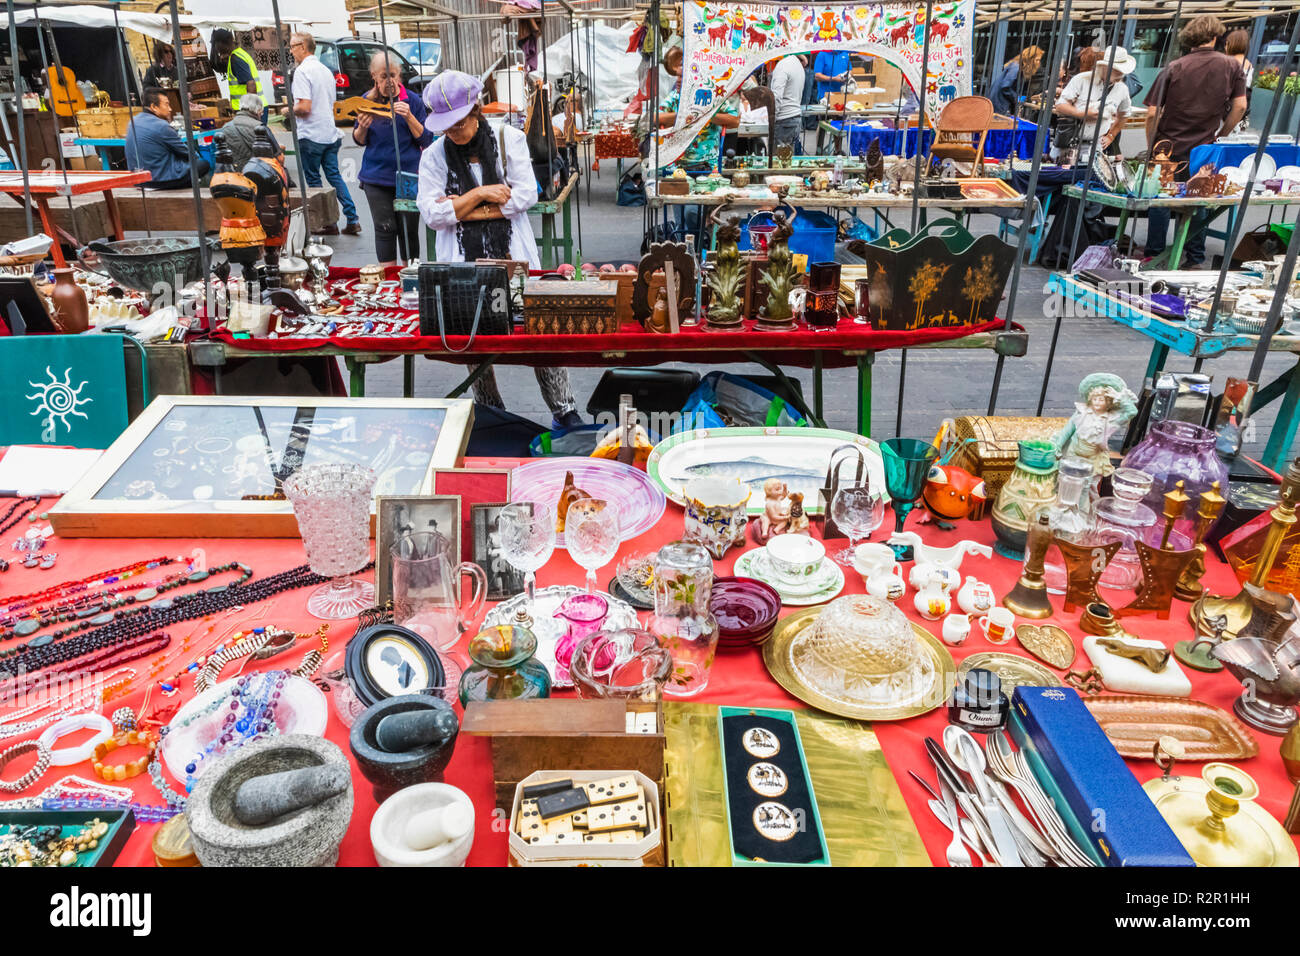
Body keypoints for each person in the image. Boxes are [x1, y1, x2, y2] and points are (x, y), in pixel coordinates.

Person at [416, 70, 581, 428]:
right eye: (447, 127)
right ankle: (493, 413)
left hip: (514, 257)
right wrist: (482, 193)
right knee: (474, 336)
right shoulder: (433, 156)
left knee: (538, 332)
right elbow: (431, 213)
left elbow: (524, 195)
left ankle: (564, 409)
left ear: (476, 110)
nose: (454, 133)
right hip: (462, 262)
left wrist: (459, 207)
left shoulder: (509, 139)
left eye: (459, 123)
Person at [1143, 15, 1247, 266]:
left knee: (1160, 200)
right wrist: (1222, 134)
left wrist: (1151, 145)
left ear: (1189, 39)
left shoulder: (1174, 67)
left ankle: (1154, 255)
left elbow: (1151, 113)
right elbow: (1240, 106)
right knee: (1199, 199)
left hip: (1167, 145)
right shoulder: (1233, 67)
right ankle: (1194, 257)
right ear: (1215, 37)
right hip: (1205, 145)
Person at [352, 51, 432, 266]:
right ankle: (388, 280)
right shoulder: (366, 101)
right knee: (385, 228)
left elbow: (426, 139)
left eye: (393, 75)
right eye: (383, 76)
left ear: (400, 76)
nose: (389, 81)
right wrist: (363, 128)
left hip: (408, 176)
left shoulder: (413, 101)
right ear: (374, 77)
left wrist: (409, 117)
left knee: (408, 230)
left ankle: (410, 277)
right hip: (376, 177)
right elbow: (359, 140)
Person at [289, 32, 361, 237]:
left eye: (293, 46)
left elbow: (304, 106)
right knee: (335, 176)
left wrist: (289, 109)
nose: (291, 50)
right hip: (329, 131)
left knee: (314, 181)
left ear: (303, 47)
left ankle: (326, 222)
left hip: (311, 133)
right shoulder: (325, 70)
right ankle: (352, 217)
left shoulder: (303, 72)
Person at [1053, 45, 1135, 164]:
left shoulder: (1122, 89)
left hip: (1095, 147)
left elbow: (1124, 114)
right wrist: (1082, 114)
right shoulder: (1081, 79)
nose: (1121, 74)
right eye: (1117, 70)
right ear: (1106, 67)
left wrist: (1111, 136)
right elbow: (1060, 105)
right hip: (1068, 143)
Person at [125, 87, 210, 189]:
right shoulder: (161, 125)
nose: (170, 109)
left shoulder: (132, 121)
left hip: (138, 180)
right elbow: (188, 154)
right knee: (203, 164)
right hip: (157, 181)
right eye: (166, 104)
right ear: (154, 107)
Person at [221, 94, 282, 170]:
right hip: (260, 174)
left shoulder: (225, 127)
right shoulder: (260, 127)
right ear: (258, 110)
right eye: (262, 112)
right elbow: (280, 158)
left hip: (234, 176)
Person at [209, 28, 260, 112]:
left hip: (248, 111)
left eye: (215, 44)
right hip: (250, 108)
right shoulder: (239, 54)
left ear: (221, 43)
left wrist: (250, 111)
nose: (215, 48)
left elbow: (251, 84)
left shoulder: (236, 59)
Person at [991, 46, 1044, 116]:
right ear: (1030, 59)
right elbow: (1005, 87)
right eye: (1037, 60)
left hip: (1001, 104)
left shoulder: (1017, 67)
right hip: (1000, 105)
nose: (1038, 63)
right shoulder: (1016, 67)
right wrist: (1017, 98)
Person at [770, 54, 806, 153]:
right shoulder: (797, 65)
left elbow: (776, 96)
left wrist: (772, 118)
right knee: (788, 161)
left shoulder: (782, 66)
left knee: (778, 162)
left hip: (784, 120)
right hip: (795, 117)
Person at [1224, 28, 1254, 131]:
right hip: (1241, 115)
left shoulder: (1228, 62)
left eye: (1227, 43)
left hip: (1226, 114)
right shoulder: (1249, 64)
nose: (1225, 47)